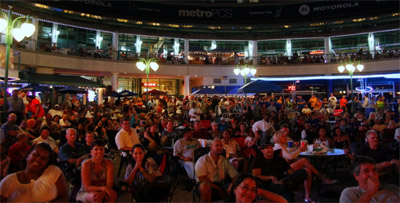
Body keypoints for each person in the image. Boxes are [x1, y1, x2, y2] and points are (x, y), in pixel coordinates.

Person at [0, 143, 68, 202]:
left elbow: (65, 198)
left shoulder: (53, 171)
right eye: (36, 155)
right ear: (28, 155)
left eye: (43, 158)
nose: (38, 159)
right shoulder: (8, 181)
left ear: (47, 163)